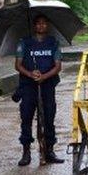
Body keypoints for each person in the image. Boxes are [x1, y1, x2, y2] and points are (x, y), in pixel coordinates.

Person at [14, 14, 64, 166]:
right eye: (38, 24)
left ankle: (49, 150)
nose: (41, 26)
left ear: (47, 26)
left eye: (44, 23)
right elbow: (18, 65)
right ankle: (26, 152)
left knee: (49, 118)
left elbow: (58, 66)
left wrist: (44, 76)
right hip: (28, 87)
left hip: (48, 86)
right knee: (26, 118)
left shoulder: (53, 43)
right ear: (34, 26)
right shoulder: (24, 43)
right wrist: (30, 74)